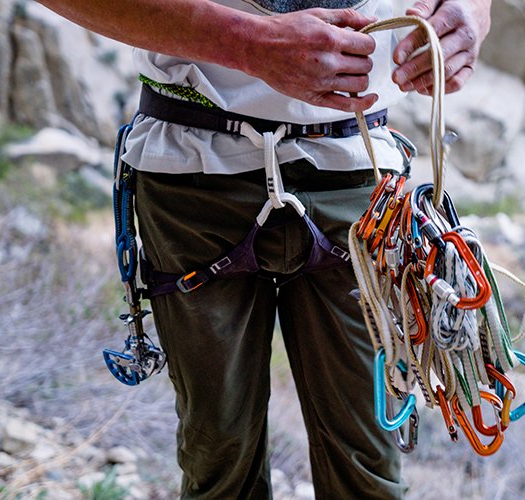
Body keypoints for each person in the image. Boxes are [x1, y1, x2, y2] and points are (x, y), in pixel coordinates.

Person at [38, 0, 491, 497]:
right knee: (223, 467)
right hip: (197, 171)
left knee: (367, 477)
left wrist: (471, 10)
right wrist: (245, 42)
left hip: (357, 169)